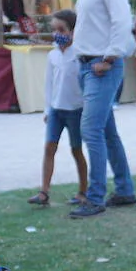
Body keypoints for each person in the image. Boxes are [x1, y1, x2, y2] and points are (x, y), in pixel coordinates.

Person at [67, 0, 136, 219]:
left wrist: (109, 58)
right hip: (89, 64)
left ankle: (95, 197)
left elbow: (122, 22)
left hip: (102, 65)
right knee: (106, 131)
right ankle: (124, 189)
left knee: (91, 130)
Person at [28, 11, 88, 208]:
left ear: (73, 31)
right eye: (54, 30)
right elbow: (49, 84)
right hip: (56, 109)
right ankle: (44, 191)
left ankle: (83, 191)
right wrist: (47, 108)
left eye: (61, 30)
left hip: (75, 110)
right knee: (49, 148)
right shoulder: (53, 55)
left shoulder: (80, 54)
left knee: (77, 150)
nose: (57, 34)